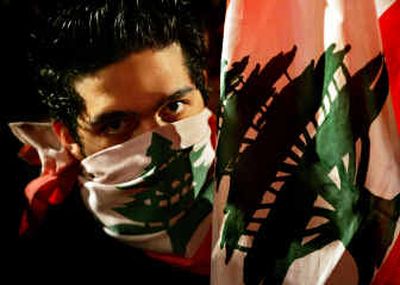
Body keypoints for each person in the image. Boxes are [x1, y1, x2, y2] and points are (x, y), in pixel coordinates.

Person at [9, 0, 217, 283]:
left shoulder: (279, 179)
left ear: (205, 90)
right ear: (69, 137)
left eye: (174, 107)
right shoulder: (51, 258)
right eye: (116, 124)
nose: (155, 143)